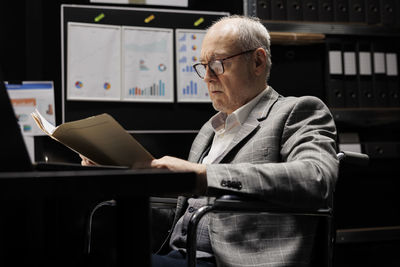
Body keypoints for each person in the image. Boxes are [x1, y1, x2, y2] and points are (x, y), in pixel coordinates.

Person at [82, 15, 339, 267]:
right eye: (203, 66)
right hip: (182, 253)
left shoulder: (298, 111)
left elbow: (316, 177)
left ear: (257, 62)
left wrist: (205, 175)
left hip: (233, 259)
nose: (207, 77)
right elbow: (184, 209)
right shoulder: (209, 129)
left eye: (217, 64)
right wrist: (116, 176)